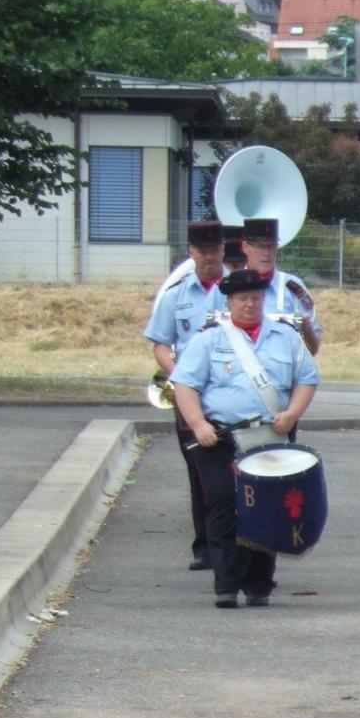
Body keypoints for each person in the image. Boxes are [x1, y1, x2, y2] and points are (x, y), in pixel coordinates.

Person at [171, 268, 320, 609]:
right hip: (220, 438)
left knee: (266, 510)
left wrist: (293, 414)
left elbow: (307, 379)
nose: (250, 304)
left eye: (255, 298)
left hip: (270, 435)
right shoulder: (209, 339)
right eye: (242, 299)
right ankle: (226, 584)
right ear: (230, 301)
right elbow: (185, 385)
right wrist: (197, 424)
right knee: (223, 506)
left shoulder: (285, 337)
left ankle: (259, 584)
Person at [142, 220, 227, 571]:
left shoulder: (237, 289)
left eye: (214, 251)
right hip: (189, 392)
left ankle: (236, 544)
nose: (208, 257)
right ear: (191, 253)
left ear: (224, 250)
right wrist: (180, 381)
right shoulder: (175, 293)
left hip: (228, 390)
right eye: (202, 251)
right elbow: (161, 344)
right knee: (199, 470)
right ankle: (204, 544)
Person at [241, 217, 321, 356]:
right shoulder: (227, 287)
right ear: (245, 247)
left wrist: (306, 330)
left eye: (271, 246)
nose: (267, 253)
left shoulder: (293, 288)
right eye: (260, 246)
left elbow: (313, 350)